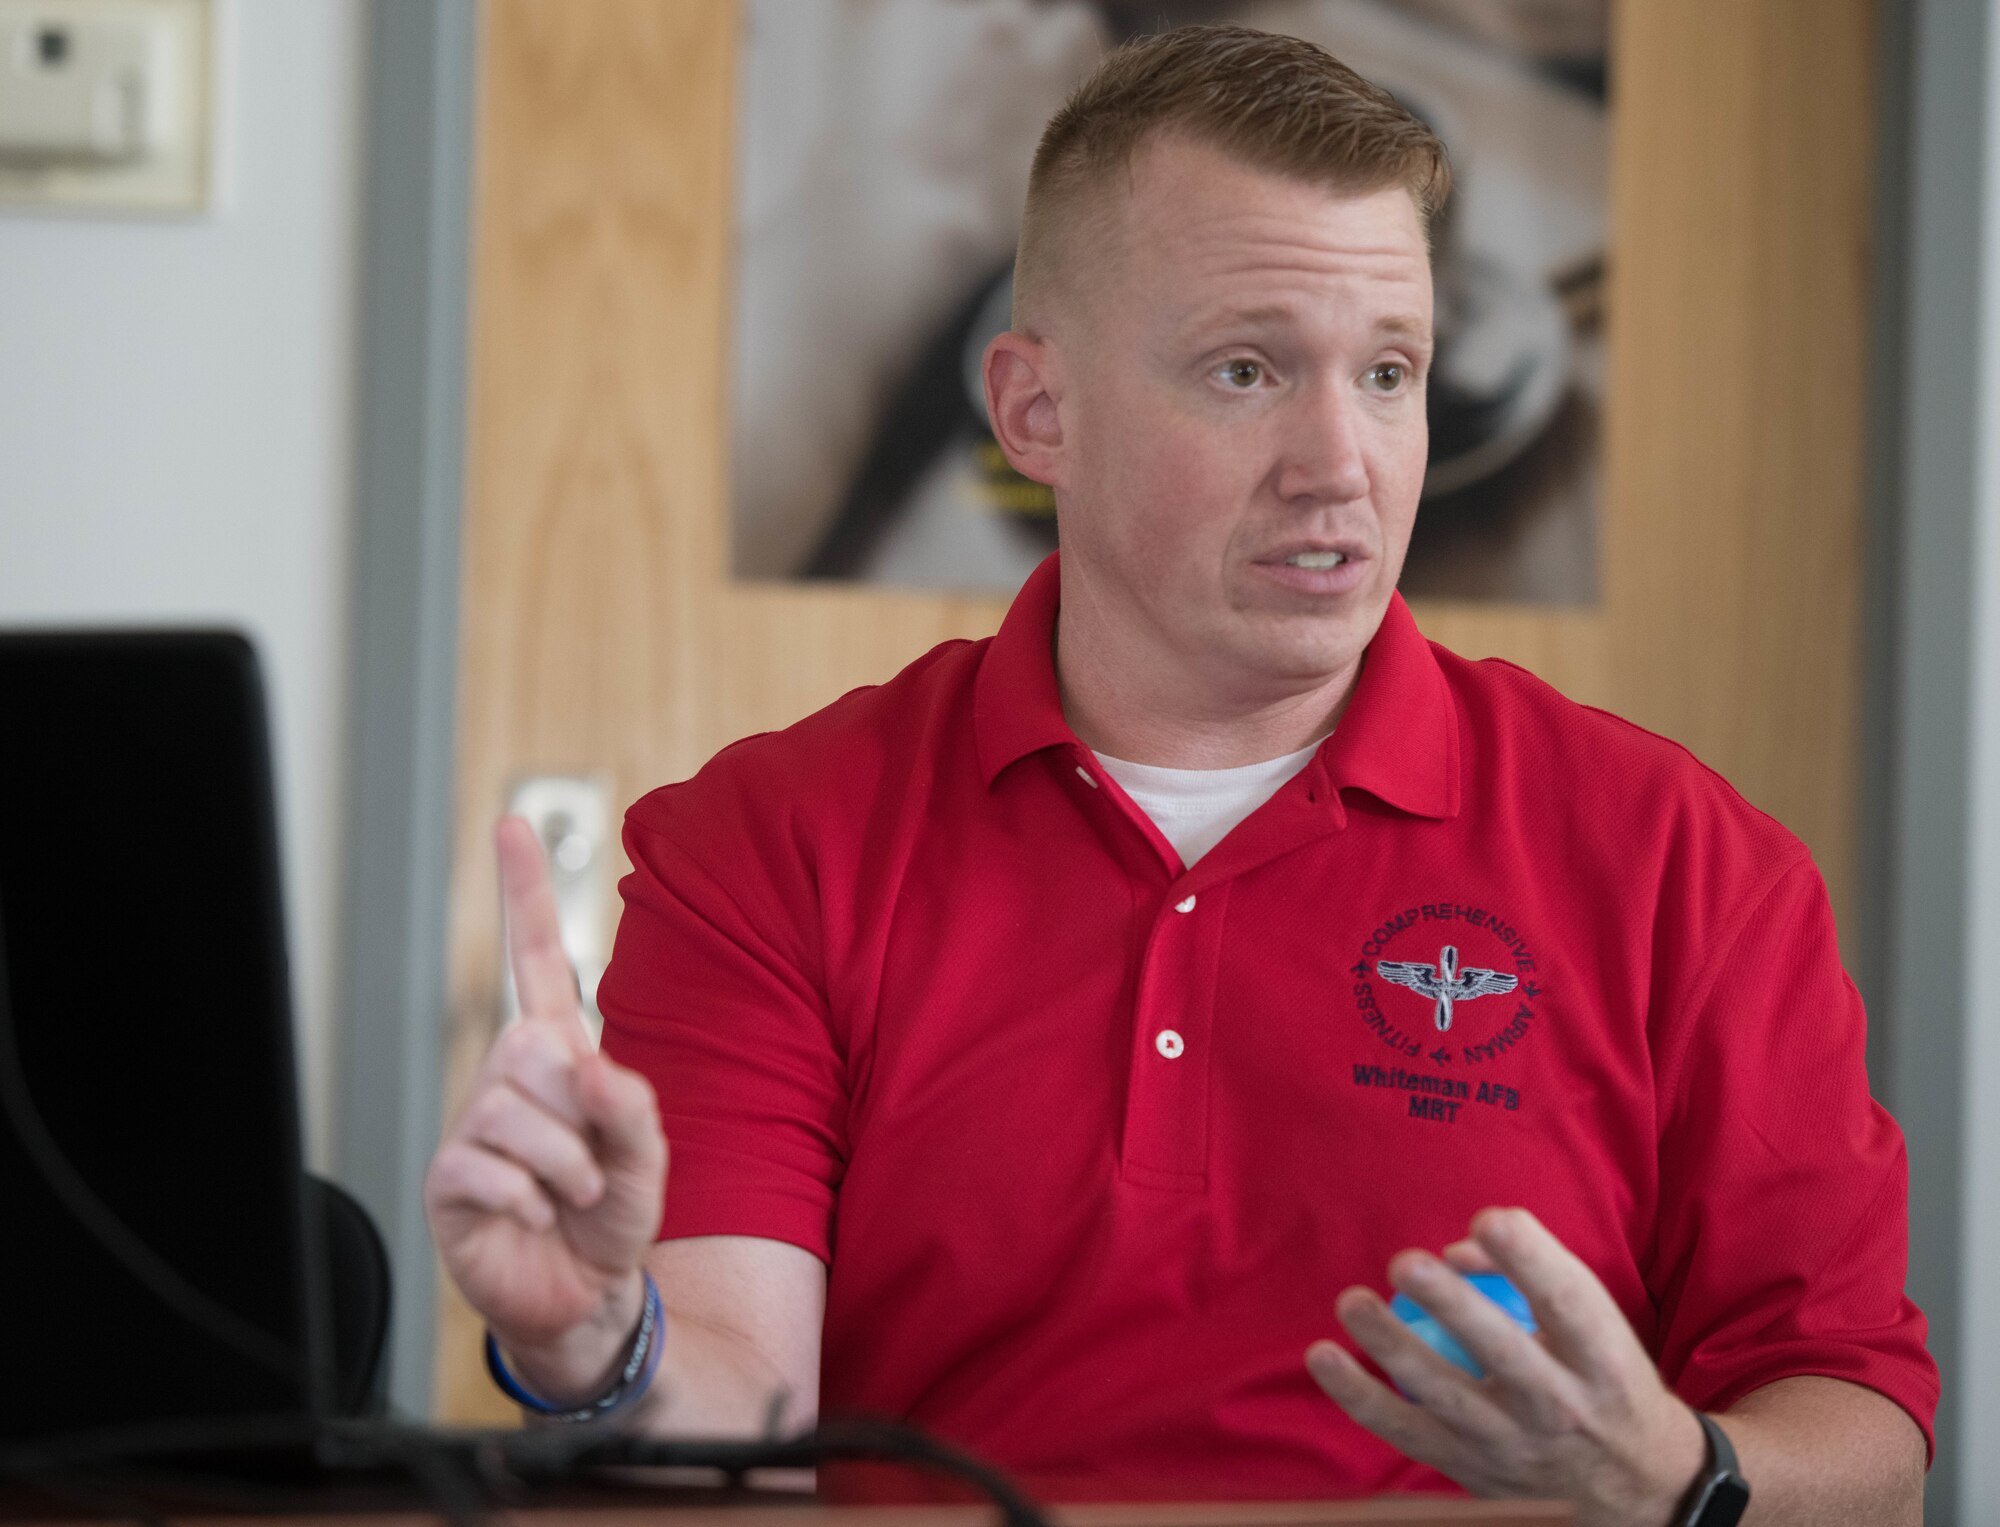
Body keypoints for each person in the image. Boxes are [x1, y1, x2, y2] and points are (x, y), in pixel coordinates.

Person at [423, 25, 1936, 1523]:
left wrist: (1678, 1477)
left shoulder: (1690, 861)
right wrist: (594, 1346)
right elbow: (744, 1414)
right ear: (1035, 413)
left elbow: (1865, 1442)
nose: (1340, 460)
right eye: (1246, 369)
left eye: (1393, 371)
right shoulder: (769, 843)